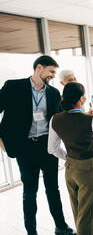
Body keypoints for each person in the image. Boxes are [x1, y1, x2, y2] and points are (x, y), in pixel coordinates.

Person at [0, 55, 75, 235]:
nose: (52, 76)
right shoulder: (13, 87)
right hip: (25, 148)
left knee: (53, 189)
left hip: (47, 146)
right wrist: (1, 142)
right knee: (30, 191)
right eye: (51, 72)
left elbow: (60, 120)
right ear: (39, 68)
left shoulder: (54, 93)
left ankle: (61, 225)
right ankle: (31, 231)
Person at [48, 82, 93, 235]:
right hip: (88, 169)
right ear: (81, 99)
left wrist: (69, 157)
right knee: (88, 212)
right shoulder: (90, 120)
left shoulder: (55, 119)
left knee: (77, 208)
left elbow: (52, 149)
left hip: (70, 168)